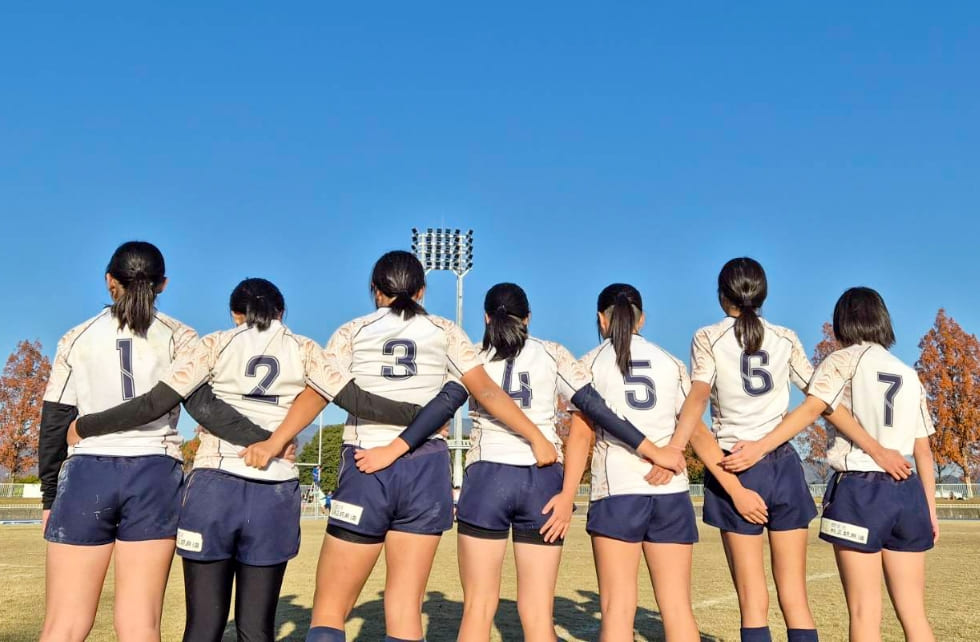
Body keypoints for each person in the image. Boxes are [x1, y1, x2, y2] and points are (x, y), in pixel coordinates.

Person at [68, 277, 447, 642]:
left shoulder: (215, 343)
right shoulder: (304, 348)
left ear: (236, 314)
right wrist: (424, 415)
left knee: (202, 627)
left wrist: (86, 425)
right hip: (274, 492)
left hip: (214, 486)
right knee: (257, 630)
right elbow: (356, 400)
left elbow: (158, 401)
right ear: (281, 312)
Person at [238, 251, 559, 642]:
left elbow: (319, 392)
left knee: (330, 610)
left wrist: (276, 440)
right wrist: (537, 437)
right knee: (406, 608)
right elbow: (488, 391)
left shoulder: (353, 331)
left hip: (366, 464)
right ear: (421, 291)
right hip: (426, 468)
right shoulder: (446, 331)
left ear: (376, 290)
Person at [37, 241, 261, 642]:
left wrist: (50, 496)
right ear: (164, 284)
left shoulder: (77, 337)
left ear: (109, 280)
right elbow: (204, 407)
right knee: (139, 626)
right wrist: (268, 439)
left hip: (88, 473)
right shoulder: (180, 336)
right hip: (154, 475)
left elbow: (55, 420)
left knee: (64, 627)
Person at [455, 283, 685, 642]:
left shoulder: (470, 355)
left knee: (478, 608)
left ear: (486, 318)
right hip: (541, 478)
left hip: (487, 476)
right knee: (537, 612)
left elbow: (442, 403)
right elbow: (597, 409)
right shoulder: (552, 353)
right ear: (528, 318)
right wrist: (653, 451)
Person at [724, 287, 937, 642]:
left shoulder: (841, 360)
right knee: (915, 616)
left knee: (865, 613)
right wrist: (929, 510)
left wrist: (760, 447)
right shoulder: (907, 373)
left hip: (861, 489)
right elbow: (924, 450)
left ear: (843, 322)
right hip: (909, 491)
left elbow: (813, 408)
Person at [580, 283, 699, 642]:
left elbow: (581, 434)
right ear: (642, 319)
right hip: (671, 490)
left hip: (618, 490)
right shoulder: (670, 361)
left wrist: (567, 491)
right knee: (677, 608)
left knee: (617, 610)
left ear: (601, 319)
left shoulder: (589, 363)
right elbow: (693, 425)